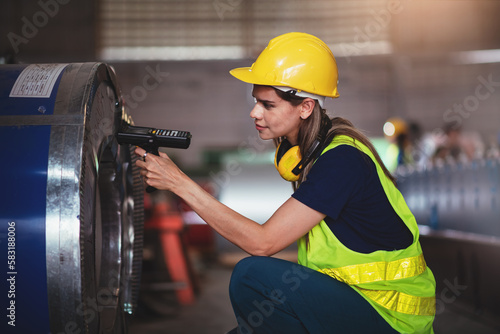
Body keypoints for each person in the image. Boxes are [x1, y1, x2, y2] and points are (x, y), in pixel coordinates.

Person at [135, 32, 436, 334]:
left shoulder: (341, 161)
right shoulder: (317, 155)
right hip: (356, 303)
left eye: (268, 105)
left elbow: (262, 243)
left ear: (305, 107)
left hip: (389, 319)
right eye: (256, 101)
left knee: (251, 275)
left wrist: (179, 183)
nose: (255, 112)